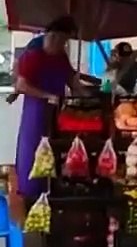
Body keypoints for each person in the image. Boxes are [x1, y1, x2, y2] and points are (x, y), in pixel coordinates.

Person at [14, 16, 88, 202]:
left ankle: (54, 188)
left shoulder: (60, 56)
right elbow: (22, 85)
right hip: (36, 110)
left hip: (57, 109)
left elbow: (70, 78)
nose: (63, 45)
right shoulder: (34, 55)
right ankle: (31, 194)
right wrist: (48, 96)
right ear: (53, 36)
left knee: (56, 147)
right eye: (63, 41)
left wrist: (84, 94)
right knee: (34, 149)